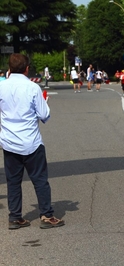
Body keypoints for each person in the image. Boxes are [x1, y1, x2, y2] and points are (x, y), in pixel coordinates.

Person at [0, 53, 65, 229]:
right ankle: (46, 215)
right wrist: (45, 102)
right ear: (27, 68)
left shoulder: (2, 87)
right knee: (40, 179)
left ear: (10, 68)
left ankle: (15, 217)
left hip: (9, 142)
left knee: (13, 181)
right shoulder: (32, 87)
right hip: (31, 142)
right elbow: (44, 115)